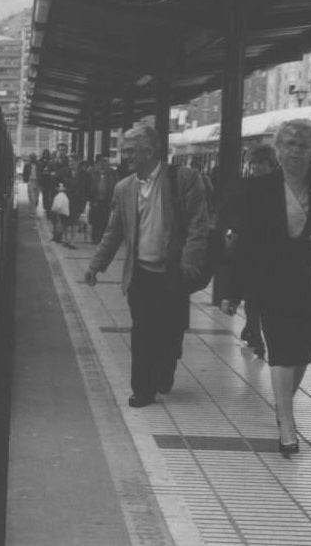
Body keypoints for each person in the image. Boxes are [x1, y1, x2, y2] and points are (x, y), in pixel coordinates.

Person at [220, 119, 311, 455]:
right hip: (271, 281)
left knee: (303, 352)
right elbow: (244, 242)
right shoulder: (255, 188)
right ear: (279, 149)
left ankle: (283, 408)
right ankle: (288, 426)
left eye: (304, 145)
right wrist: (231, 291)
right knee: (281, 350)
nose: (295, 151)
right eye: (290, 144)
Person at [84, 124, 210, 408]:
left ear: (149, 150)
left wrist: (190, 260)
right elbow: (113, 232)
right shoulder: (124, 188)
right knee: (142, 332)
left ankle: (166, 368)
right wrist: (96, 265)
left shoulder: (184, 179)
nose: (124, 156)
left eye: (130, 151)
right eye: (124, 150)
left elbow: (198, 224)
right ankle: (142, 389)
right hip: (140, 274)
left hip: (173, 272)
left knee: (170, 332)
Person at [228, 143, 279, 357]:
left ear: (271, 164)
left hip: (271, 252)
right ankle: (255, 335)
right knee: (252, 296)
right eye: (254, 163)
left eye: (261, 163)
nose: (257, 167)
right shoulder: (245, 186)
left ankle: (252, 330)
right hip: (249, 251)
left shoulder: (279, 188)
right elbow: (235, 214)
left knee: (259, 298)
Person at [88, 154, 117, 243]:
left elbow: (115, 186)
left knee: (105, 220)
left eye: (106, 163)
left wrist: (113, 199)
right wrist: (92, 199)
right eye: (102, 163)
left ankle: (103, 238)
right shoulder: (93, 173)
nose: (104, 165)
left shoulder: (112, 174)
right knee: (95, 220)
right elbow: (89, 186)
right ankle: (95, 238)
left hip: (107, 200)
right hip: (95, 200)